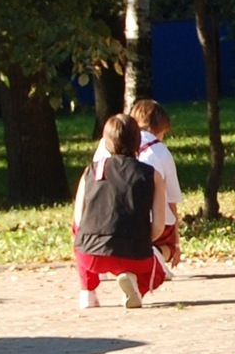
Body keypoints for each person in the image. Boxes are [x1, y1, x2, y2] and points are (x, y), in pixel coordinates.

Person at [73, 114, 168, 309]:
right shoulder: (151, 175)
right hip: (135, 253)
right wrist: (144, 240)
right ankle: (136, 287)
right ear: (138, 141)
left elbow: (79, 219)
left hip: (91, 254)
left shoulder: (91, 171)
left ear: (105, 142)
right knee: (158, 273)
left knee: (78, 232)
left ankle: (87, 292)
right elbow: (159, 225)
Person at [93, 99, 183, 270]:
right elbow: (172, 201)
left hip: (107, 220)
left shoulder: (105, 144)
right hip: (150, 225)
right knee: (168, 244)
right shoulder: (160, 151)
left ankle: (105, 261)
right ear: (160, 129)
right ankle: (157, 253)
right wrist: (176, 244)